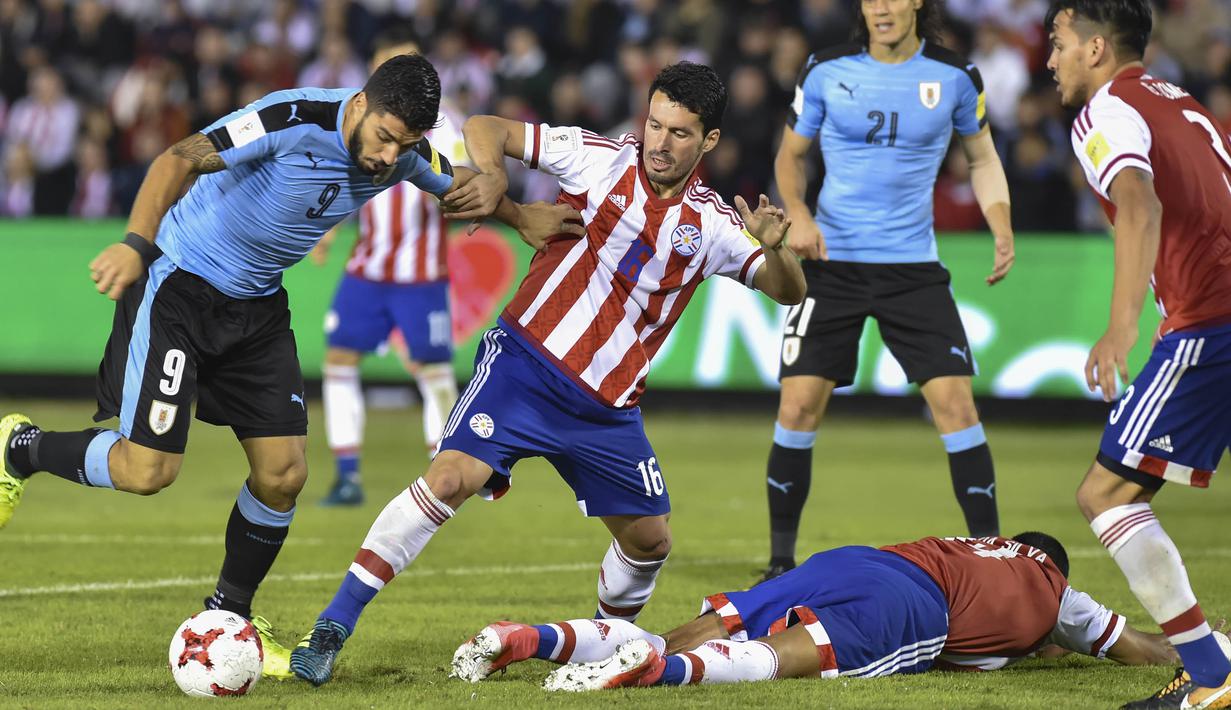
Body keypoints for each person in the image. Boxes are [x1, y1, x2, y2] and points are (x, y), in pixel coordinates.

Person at [0, 54, 568, 679]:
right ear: (359, 104)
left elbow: (455, 183)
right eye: (384, 137)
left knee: (284, 474)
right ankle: (22, 449)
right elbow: (177, 159)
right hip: (181, 288)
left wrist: (521, 217)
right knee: (147, 471)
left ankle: (231, 618)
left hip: (258, 307)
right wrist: (136, 244)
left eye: (404, 145)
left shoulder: (404, 153)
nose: (388, 157)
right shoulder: (293, 117)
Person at [288, 61, 807, 687]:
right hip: (524, 368)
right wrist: (495, 178)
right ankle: (331, 627)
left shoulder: (715, 225)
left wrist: (775, 247)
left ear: (710, 140)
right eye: (654, 124)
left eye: (679, 133)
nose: (660, 143)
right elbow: (486, 126)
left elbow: (788, 290)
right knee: (448, 478)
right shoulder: (597, 159)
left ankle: (604, 645)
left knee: (650, 541)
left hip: (607, 410)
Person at [761, 0, 1017, 581]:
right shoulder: (825, 69)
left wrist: (1001, 225)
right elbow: (790, 156)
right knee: (797, 407)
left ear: (917, 2)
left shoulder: (955, 76)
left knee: (957, 408)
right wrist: (799, 212)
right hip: (832, 265)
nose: (880, 7)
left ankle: (999, 564)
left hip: (913, 269)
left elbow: (982, 159)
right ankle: (779, 564)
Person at [1045, 2, 1231, 708]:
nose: (1051, 60)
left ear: (1095, 48)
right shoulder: (1180, 102)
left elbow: (1140, 205)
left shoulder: (1105, 112)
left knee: (1107, 493)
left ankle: (1212, 676)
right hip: (1209, 315)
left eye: (1059, 43)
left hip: (1212, 321)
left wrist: (1120, 326)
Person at [451, 532, 1190, 692]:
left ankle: (534, 636)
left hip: (862, 559)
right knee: (788, 659)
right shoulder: (1060, 593)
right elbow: (1146, 649)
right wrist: (1201, 643)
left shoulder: (971, 545)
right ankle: (656, 673)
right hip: (915, 606)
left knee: (703, 627)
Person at [311, 29, 471, 507]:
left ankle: (447, 475)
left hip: (420, 275)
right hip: (368, 268)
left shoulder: (445, 125)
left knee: (433, 370)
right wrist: (329, 229)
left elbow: (461, 182)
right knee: (339, 361)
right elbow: (345, 174)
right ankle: (347, 478)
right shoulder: (361, 113)